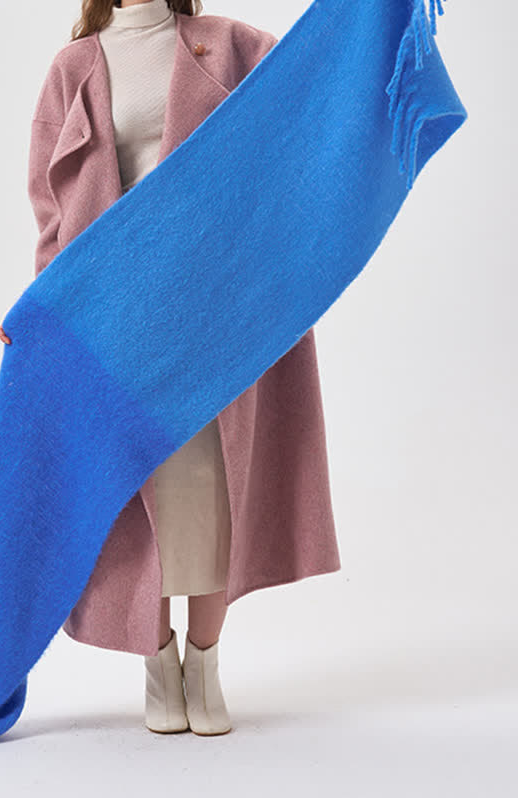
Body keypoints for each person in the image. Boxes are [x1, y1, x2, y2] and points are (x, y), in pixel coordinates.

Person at [27, 0, 341, 737]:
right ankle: (156, 660)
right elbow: (49, 209)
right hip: (119, 314)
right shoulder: (75, 67)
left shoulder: (226, 45)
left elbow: (314, 85)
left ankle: (204, 662)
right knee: (138, 490)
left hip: (218, 309)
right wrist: (47, 313)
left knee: (213, 485)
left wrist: (373, 27)